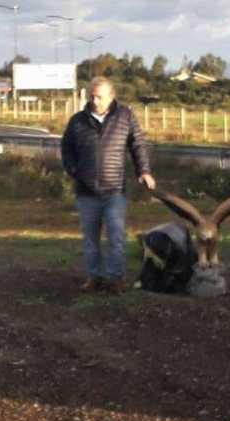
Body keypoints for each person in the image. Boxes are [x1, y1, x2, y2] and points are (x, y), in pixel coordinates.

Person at [61, 76, 156, 295]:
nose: (95, 101)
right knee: (90, 240)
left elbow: (138, 144)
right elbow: (66, 148)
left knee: (116, 237)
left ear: (111, 96)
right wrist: (73, 171)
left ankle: (116, 280)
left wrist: (143, 171)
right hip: (86, 192)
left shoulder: (125, 117)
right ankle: (94, 278)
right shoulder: (77, 121)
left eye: (99, 97)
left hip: (114, 191)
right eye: (92, 96)